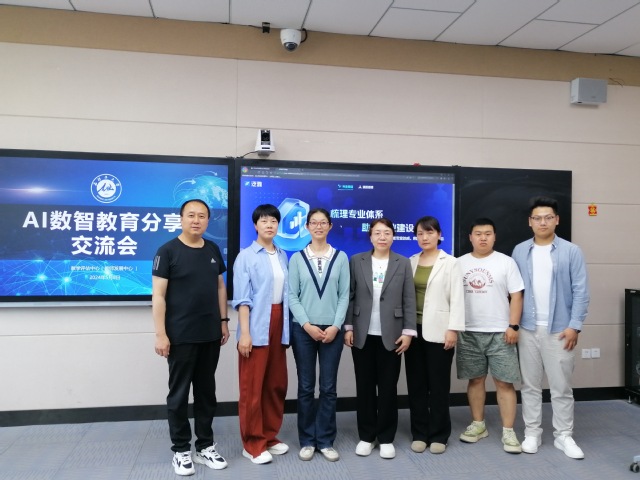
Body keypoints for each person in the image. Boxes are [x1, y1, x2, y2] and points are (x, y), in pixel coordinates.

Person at [152, 198, 230, 476]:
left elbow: (220, 287)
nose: (196, 220)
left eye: (202, 216)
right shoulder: (167, 251)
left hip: (210, 334)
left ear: (208, 220)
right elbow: (158, 296)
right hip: (180, 336)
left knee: (207, 393)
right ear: (181, 218)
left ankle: (205, 446)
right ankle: (181, 450)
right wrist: (161, 334)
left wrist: (223, 321)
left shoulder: (212, 249)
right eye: (191, 215)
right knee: (179, 395)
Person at [512, 196, 590, 459]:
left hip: (560, 330)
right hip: (527, 328)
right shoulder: (520, 250)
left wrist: (574, 326)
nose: (542, 222)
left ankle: (563, 436)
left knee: (561, 387)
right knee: (530, 386)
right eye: (537, 218)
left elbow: (581, 291)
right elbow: (515, 291)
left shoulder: (571, 251)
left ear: (557, 220)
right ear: (530, 222)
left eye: (548, 217)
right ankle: (532, 433)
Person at [344, 218, 417, 460]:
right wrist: (348, 327)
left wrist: (408, 332)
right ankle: (366, 436)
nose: (382, 237)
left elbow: (409, 299)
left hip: (393, 334)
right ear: (371, 237)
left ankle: (386, 438)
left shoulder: (402, 262)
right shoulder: (357, 260)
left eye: (386, 233)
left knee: (388, 388)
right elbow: (350, 296)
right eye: (377, 233)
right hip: (362, 333)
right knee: (364, 387)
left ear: (393, 236)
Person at [456, 218, 524, 453]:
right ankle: (478, 425)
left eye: (487, 233)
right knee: (475, 380)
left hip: (501, 332)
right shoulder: (458, 263)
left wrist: (513, 326)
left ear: (494, 236)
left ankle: (508, 431)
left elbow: (517, 296)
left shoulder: (506, 262)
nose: (483, 237)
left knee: (504, 382)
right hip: (468, 332)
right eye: (478, 233)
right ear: (470, 237)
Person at [289, 208, 350, 462]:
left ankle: (325, 440)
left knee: (328, 388)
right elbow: (292, 296)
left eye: (323, 222)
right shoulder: (297, 258)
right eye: (313, 222)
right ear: (306, 226)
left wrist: (336, 326)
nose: (318, 226)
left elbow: (344, 295)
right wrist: (307, 325)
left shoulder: (341, 257)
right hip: (304, 330)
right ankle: (307, 440)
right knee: (305, 387)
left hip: (332, 331)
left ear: (330, 226)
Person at [232, 204, 290, 465]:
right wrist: (245, 333)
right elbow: (242, 299)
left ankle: (268, 436)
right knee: (252, 388)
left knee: (275, 384)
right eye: (264, 221)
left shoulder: (283, 255)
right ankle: (252, 443)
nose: (269, 225)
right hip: (255, 326)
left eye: (273, 221)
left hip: (279, 323)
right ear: (255, 225)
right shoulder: (246, 256)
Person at [405, 215, 464, 455]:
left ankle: (439, 434)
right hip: (413, 331)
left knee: (438, 385)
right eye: (420, 233)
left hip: (440, 330)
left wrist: (453, 329)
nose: (424, 237)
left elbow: (458, 298)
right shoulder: (410, 262)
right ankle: (420, 433)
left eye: (429, 232)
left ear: (439, 235)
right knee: (416, 384)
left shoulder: (451, 263)